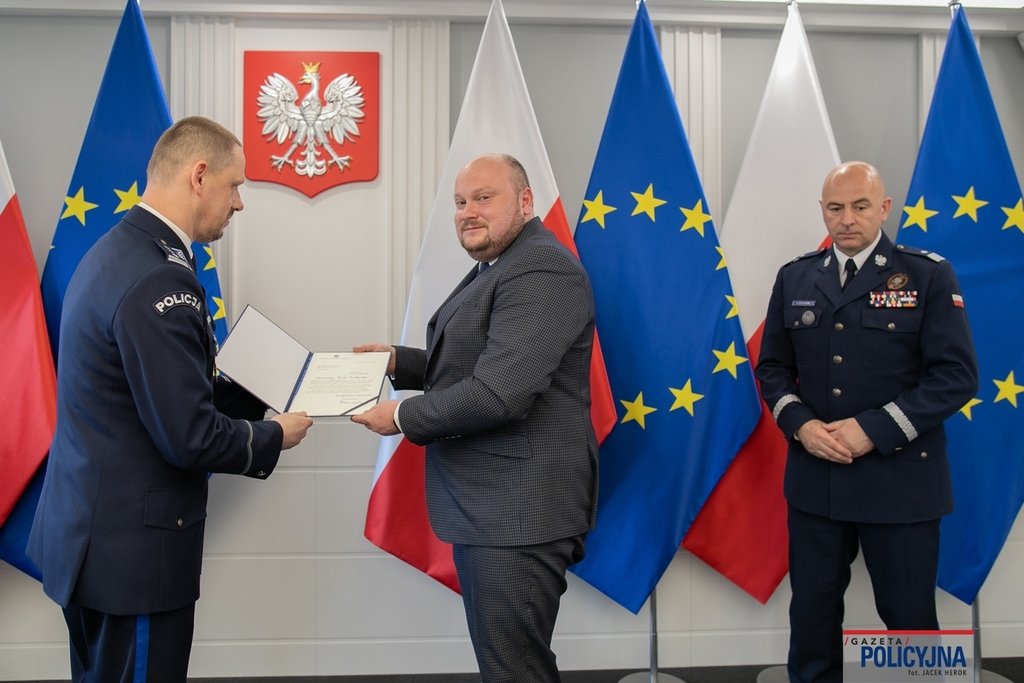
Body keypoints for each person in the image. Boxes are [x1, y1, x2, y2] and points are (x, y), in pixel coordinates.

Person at [27, 116, 314, 683]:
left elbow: (151, 393)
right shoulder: (160, 277)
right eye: (235, 186)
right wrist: (274, 434)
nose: (239, 203)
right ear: (199, 176)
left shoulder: (118, 251)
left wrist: (257, 391)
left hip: (93, 536)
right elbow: (190, 436)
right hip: (130, 558)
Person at [353, 153, 598, 683]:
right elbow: (484, 360)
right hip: (496, 506)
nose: (468, 212)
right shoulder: (503, 264)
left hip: (518, 513)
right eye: (460, 201)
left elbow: (497, 394)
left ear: (526, 201)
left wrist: (402, 415)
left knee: (515, 670)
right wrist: (400, 362)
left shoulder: (541, 268)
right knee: (508, 664)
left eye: (484, 198)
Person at [756, 161, 979, 683]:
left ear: (884, 208)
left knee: (909, 623)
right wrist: (802, 426)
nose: (847, 219)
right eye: (836, 208)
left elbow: (956, 376)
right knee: (811, 621)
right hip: (817, 482)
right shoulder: (795, 276)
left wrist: (873, 430)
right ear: (823, 211)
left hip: (901, 483)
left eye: (860, 206)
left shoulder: (926, 275)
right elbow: (773, 369)